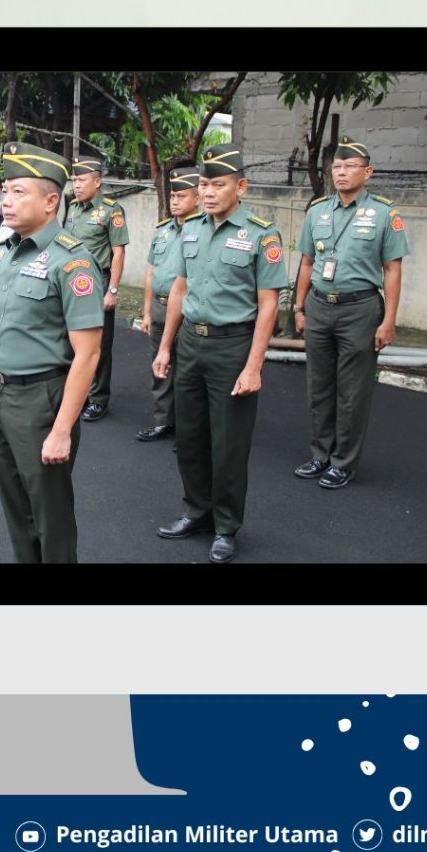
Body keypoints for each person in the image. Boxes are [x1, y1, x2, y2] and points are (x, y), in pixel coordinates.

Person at [0, 142, 103, 564]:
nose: (6, 200)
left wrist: (62, 429)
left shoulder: (72, 262)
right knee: (16, 509)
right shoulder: (4, 253)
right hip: (1, 396)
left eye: (19, 191)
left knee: (50, 515)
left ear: (50, 201)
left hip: (42, 400)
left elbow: (88, 355)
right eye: (5, 191)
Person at [152, 143, 285, 564]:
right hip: (191, 342)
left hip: (232, 347)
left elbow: (268, 304)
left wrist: (254, 366)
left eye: (218, 185)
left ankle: (226, 526)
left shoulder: (262, 234)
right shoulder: (191, 228)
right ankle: (196, 510)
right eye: (204, 185)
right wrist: (166, 346)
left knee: (228, 444)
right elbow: (180, 289)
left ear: (240, 187)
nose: (208, 193)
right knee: (189, 438)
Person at [292, 135, 410, 489]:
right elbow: (307, 263)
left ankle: (343, 461)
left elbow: (392, 270)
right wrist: (299, 307)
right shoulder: (317, 211)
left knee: (352, 391)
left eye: (350, 166)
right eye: (337, 166)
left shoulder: (384, 213)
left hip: (360, 309)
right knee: (318, 386)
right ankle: (320, 454)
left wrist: (389, 320)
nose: (341, 172)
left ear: (367, 172)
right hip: (319, 307)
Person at [136, 165, 200, 442]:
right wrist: (147, 311)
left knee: (187, 371)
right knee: (160, 366)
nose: (174, 201)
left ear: (197, 198)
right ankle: (164, 421)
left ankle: (188, 430)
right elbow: (151, 273)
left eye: (181, 196)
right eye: (172, 196)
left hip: (187, 310)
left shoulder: (202, 231)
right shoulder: (163, 231)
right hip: (160, 307)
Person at [64, 155, 128, 422]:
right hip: (70, 281)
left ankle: (98, 398)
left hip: (97, 282)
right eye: (74, 180)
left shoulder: (112, 210)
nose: (76, 185)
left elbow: (119, 252)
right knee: (71, 340)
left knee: (98, 343)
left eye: (81, 180)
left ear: (97, 181)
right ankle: (77, 394)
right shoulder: (72, 207)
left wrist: (112, 290)